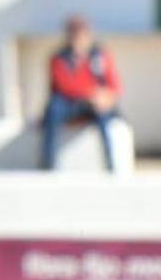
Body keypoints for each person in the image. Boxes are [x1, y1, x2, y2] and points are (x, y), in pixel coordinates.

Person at [40, 15, 122, 171]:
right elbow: (64, 86)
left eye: (82, 34)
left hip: (95, 105)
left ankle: (110, 164)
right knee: (54, 109)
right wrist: (91, 93)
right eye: (74, 34)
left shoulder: (100, 56)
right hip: (69, 104)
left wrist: (106, 97)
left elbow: (114, 85)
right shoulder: (59, 58)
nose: (78, 39)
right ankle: (48, 163)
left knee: (103, 115)